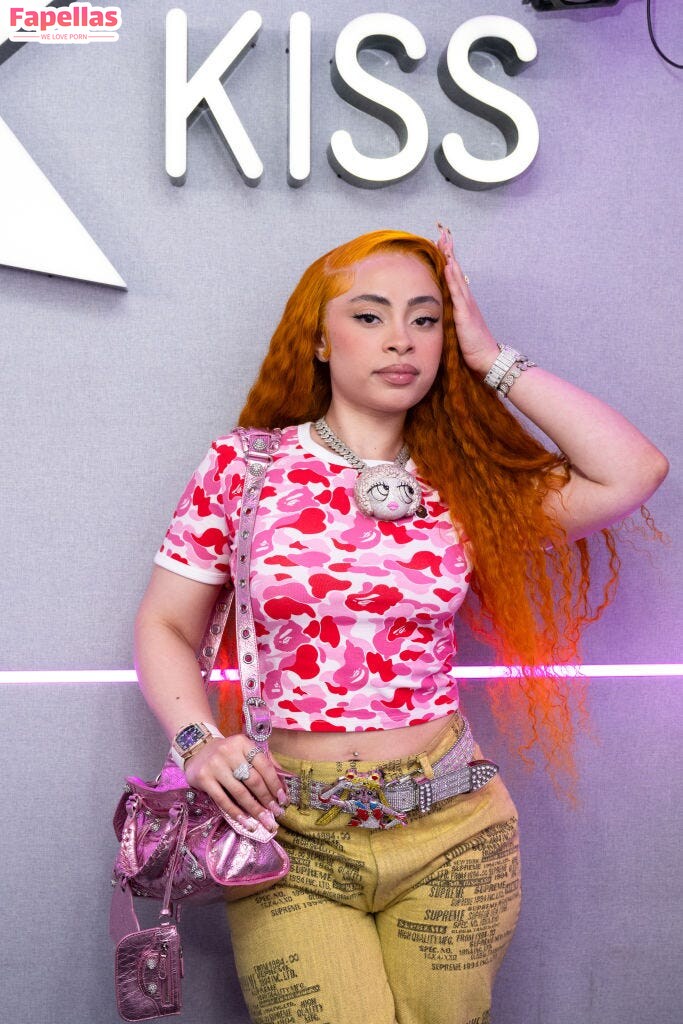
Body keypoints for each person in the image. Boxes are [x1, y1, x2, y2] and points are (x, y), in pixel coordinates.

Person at [134, 228, 668, 1024]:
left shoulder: (467, 483)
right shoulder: (245, 467)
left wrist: (489, 356)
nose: (400, 339)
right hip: (290, 831)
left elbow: (631, 471)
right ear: (318, 338)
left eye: (425, 320)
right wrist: (196, 741)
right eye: (369, 315)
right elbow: (165, 626)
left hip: (452, 825)